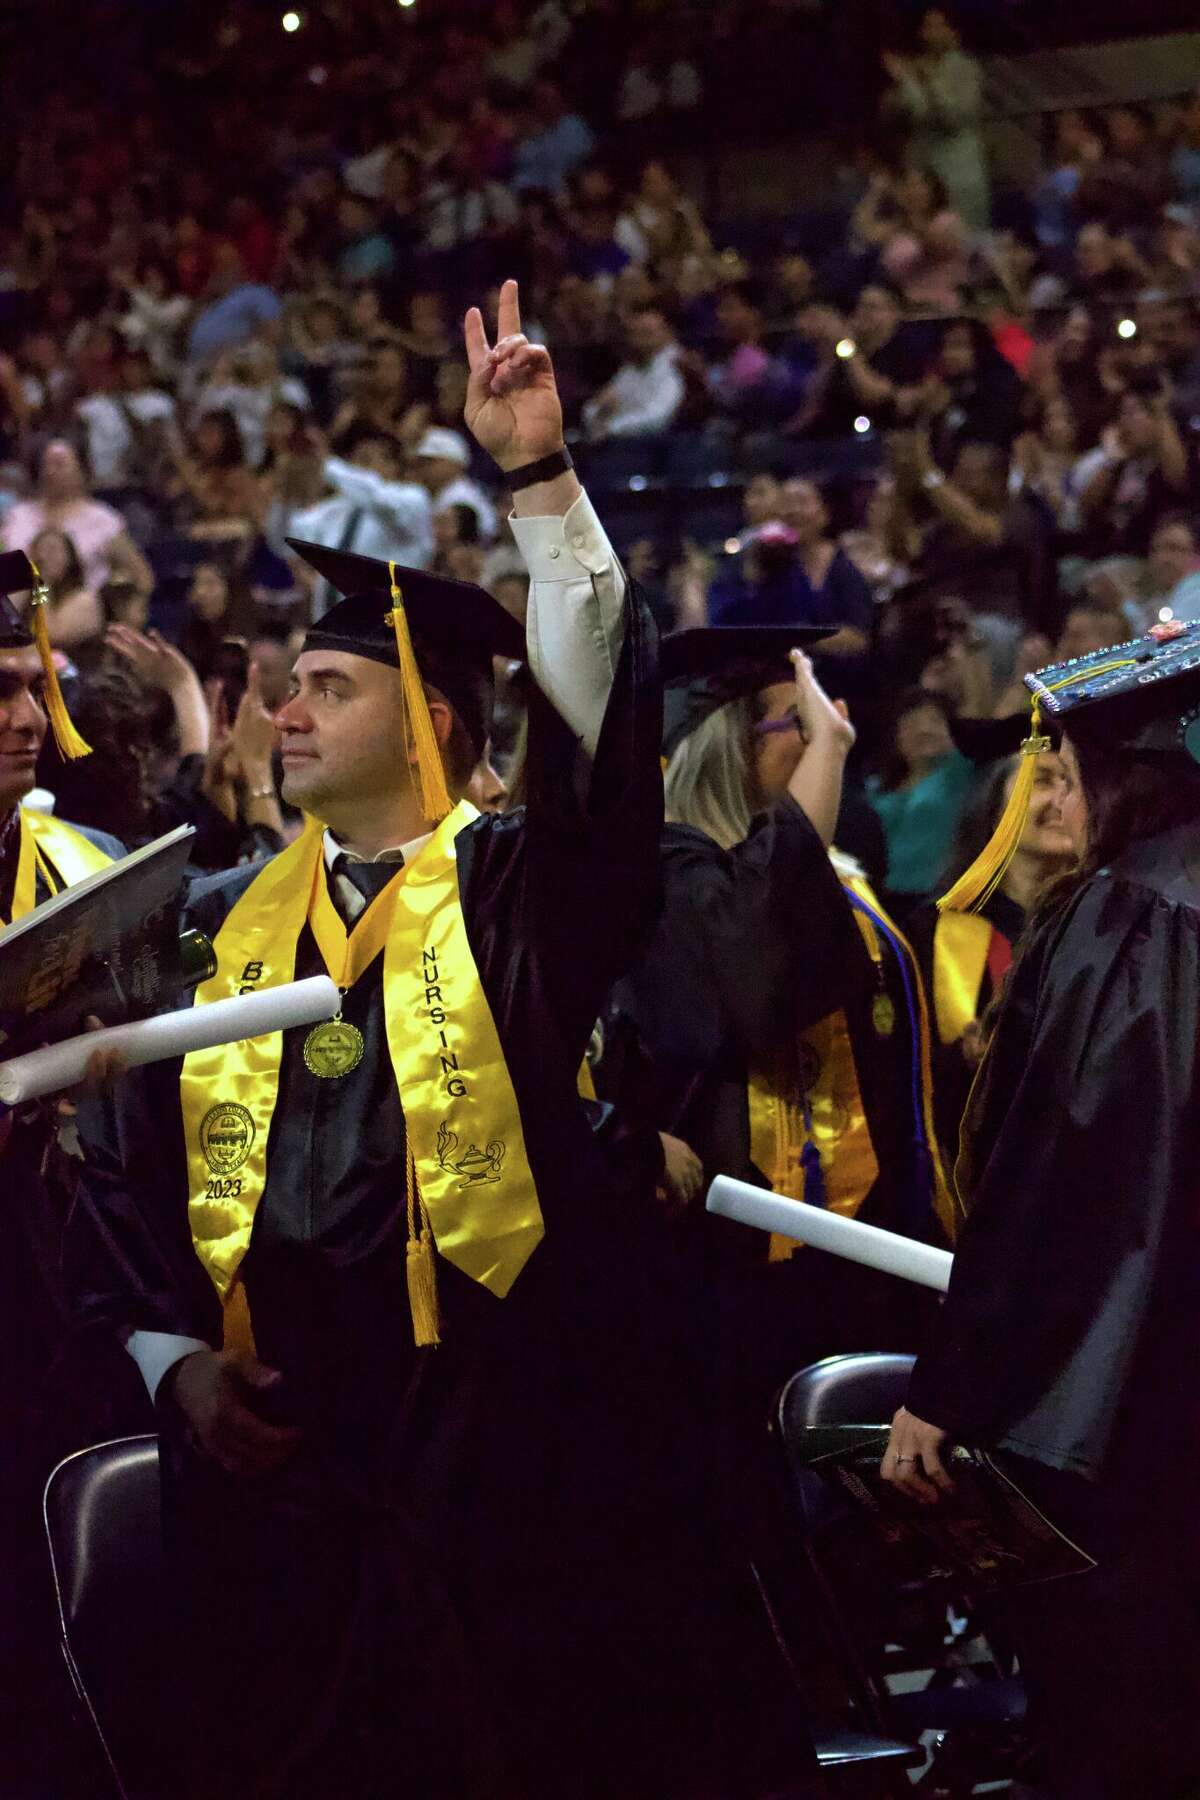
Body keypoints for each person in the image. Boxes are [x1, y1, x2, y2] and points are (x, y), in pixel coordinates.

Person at [67, 282, 793, 1800]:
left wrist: (537, 480)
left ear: (436, 725)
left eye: (331, 688)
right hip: (266, 1472)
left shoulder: (527, 893)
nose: (287, 714)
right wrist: (176, 1369)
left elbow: (600, 746)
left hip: (496, 1449)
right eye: (289, 692)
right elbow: (118, 1183)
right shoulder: (198, 926)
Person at [883, 620, 1200, 1798]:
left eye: (1064, 767)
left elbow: (1058, 1177)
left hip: (1122, 1401)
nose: (1042, 793)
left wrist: (951, 1383)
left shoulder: (1129, 917)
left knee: (1115, 1710)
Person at [603, 627, 952, 1431]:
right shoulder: (659, 880)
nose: (827, 733)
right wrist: (820, 780)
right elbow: (754, 993)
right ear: (730, 747)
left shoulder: (824, 879)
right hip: (723, 1281)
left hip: (858, 1258)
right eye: (801, 723)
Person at [0, 551, 133, 1794]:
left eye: (29, 688)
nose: (28, 718)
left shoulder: (82, 866)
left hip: (55, 1316)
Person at [907, 747, 1074, 1163]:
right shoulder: (935, 931)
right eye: (1043, 780)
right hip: (979, 1165)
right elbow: (907, 1074)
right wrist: (964, 1058)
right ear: (993, 809)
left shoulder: (1108, 923)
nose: (1061, 797)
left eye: (1071, 782)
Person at [287, 428, 435, 610]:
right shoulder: (341, 507)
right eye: (355, 461)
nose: (356, 468)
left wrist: (327, 464)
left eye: (366, 460)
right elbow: (291, 536)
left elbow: (376, 496)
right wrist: (290, 492)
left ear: (394, 466)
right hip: (331, 625)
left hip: (386, 625)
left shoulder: (413, 499)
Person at [882, 7, 991, 229]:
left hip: (959, 173)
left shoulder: (966, 69)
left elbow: (952, 118)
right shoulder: (913, 68)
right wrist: (900, 82)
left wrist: (924, 83)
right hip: (922, 174)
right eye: (927, 27)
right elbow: (892, 115)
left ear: (954, 33)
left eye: (938, 27)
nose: (931, 33)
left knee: (963, 238)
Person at [867, 689, 976, 911]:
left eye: (935, 721)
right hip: (882, 896)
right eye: (913, 723)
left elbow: (979, 718)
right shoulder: (875, 785)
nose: (924, 729)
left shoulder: (956, 773)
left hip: (938, 895)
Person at [2, 439, 153, 595]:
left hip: (81, 608)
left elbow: (142, 578)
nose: (50, 471)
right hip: (21, 607)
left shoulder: (103, 520)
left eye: (59, 464)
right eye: (46, 464)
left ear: (81, 470)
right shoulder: (18, 515)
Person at [581, 306, 684, 440]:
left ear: (667, 334)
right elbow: (592, 409)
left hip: (656, 446)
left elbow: (658, 416)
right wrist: (600, 411)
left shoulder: (677, 366)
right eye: (634, 334)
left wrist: (612, 426)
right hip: (616, 441)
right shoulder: (630, 370)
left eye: (646, 333)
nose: (638, 341)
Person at [413, 425, 498, 539]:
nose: (424, 468)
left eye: (431, 462)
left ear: (454, 463)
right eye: (421, 463)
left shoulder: (463, 497)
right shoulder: (440, 493)